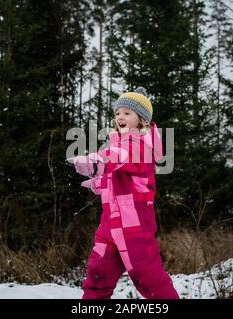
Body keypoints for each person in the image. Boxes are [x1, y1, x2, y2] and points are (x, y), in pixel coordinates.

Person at [71, 87, 179, 299]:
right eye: (118, 112)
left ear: (142, 121)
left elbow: (121, 157)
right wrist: (99, 183)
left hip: (134, 226)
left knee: (148, 277)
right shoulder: (118, 143)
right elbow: (120, 179)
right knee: (97, 275)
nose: (120, 116)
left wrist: (97, 161)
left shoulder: (140, 145)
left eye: (127, 113)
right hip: (109, 226)